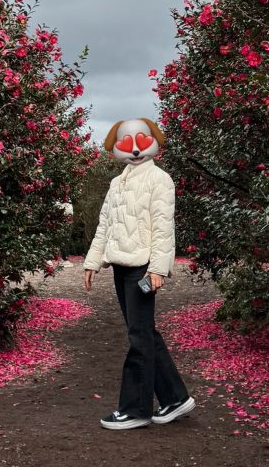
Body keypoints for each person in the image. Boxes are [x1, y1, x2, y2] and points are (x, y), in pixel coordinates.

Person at [83, 116, 195, 431]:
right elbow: (105, 223)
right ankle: (175, 397)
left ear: (155, 142)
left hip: (143, 268)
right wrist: (93, 261)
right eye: (126, 142)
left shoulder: (160, 180)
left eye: (142, 141)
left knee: (139, 336)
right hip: (121, 265)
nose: (134, 149)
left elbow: (163, 227)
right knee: (143, 331)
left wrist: (158, 268)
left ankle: (135, 409)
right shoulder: (117, 183)